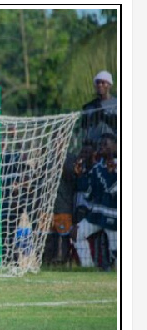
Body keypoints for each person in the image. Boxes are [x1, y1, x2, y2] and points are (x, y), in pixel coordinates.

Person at [72, 133, 117, 270]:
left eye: (105, 144)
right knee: (76, 233)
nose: (101, 146)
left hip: (114, 216)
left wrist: (110, 172)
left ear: (116, 146)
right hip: (97, 214)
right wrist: (80, 175)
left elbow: (111, 189)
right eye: (100, 144)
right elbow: (88, 193)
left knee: (116, 250)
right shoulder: (97, 167)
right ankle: (88, 268)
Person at [80, 70, 117, 147]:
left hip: (112, 146)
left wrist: (104, 116)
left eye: (103, 82)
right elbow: (84, 129)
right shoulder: (89, 107)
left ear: (109, 85)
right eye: (98, 83)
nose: (100, 85)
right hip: (92, 146)